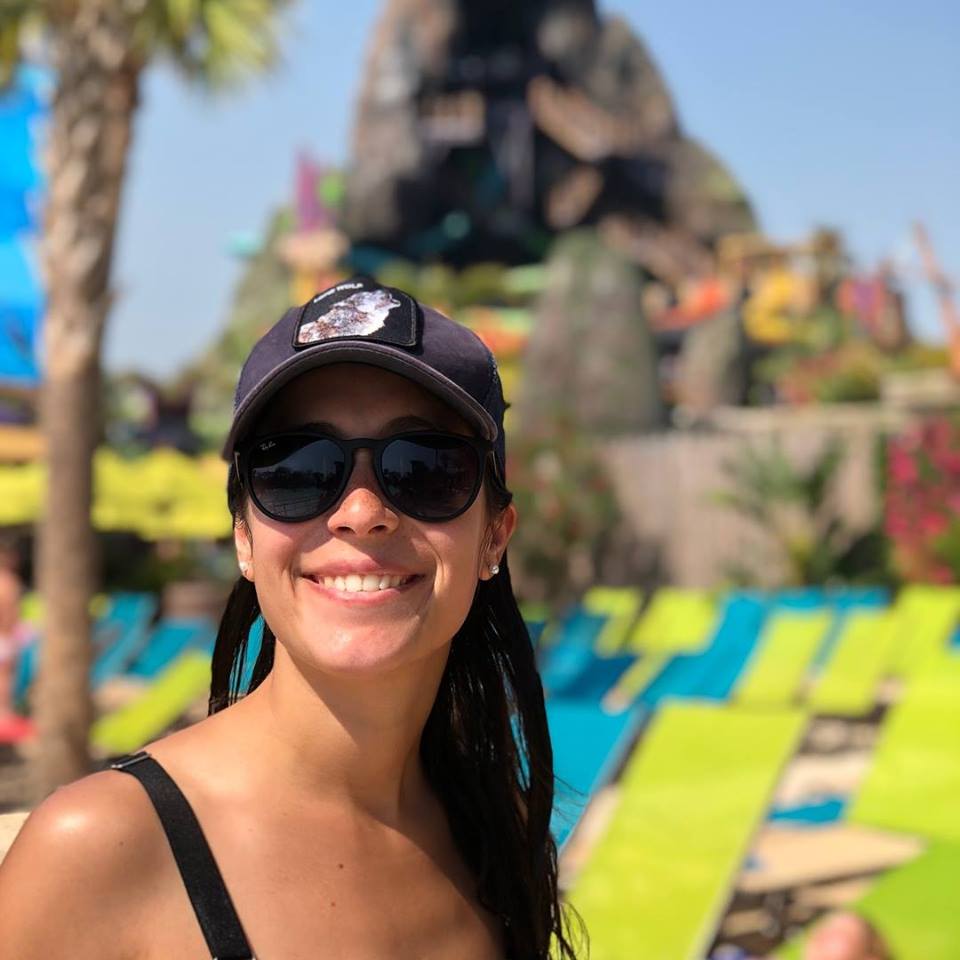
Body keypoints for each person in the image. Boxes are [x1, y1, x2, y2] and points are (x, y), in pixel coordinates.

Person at [0, 278, 887, 960]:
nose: (360, 512)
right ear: (242, 535)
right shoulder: (103, 851)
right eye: (298, 469)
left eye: (423, 468)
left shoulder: (486, 832)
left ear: (495, 535)